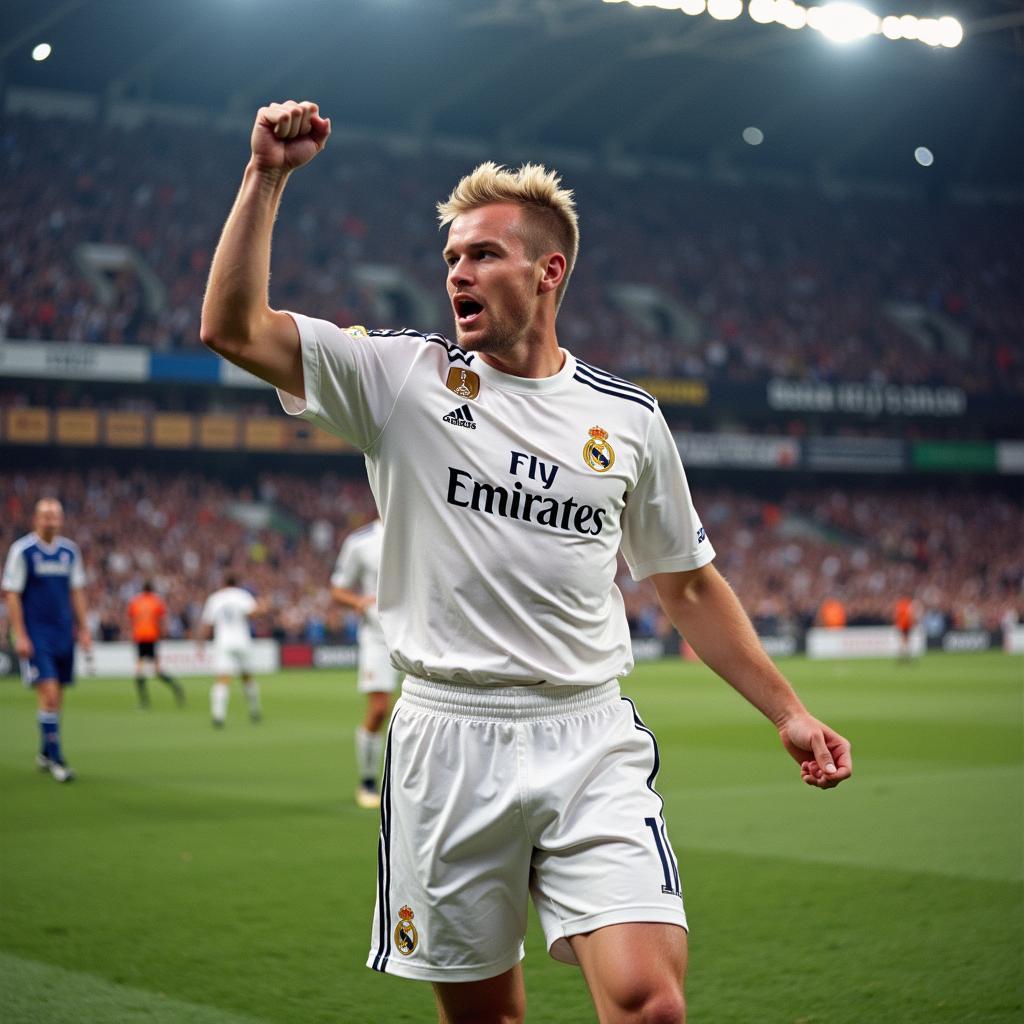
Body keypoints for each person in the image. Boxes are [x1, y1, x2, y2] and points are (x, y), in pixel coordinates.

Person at [200, 99, 852, 1024]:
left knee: (649, 1004)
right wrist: (266, 176)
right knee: (486, 1020)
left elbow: (688, 581)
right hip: (446, 738)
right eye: (451, 258)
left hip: (587, 734)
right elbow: (232, 328)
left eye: (482, 255)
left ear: (549, 272)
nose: (456, 272)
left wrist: (788, 711)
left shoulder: (628, 419)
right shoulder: (400, 380)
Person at [2, 498, 92, 783]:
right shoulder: (23, 551)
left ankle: (44, 750)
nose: (51, 520)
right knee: (49, 694)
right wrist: (20, 634)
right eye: (46, 515)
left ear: (61, 520)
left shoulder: (69, 551)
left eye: (55, 515)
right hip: (38, 633)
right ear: (36, 519)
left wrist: (85, 628)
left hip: (64, 632)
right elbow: (12, 593)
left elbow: (76, 591)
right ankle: (57, 759)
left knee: (58, 697)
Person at [330, 517, 401, 810]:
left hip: (420, 633)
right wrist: (358, 602)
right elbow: (338, 589)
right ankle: (368, 781)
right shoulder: (360, 542)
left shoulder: (423, 526)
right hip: (377, 636)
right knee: (379, 709)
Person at [197, 575, 263, 728]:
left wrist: (200, 643)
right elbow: (254, 613)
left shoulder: (215, 598)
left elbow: (207, 624)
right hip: (242, 641)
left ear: (223, 582)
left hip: (223, 642)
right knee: (247, 677)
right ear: (237, 583)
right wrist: (262, 606)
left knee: (222, 679)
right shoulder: (242, 595)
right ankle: (255, 711)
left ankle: (218, 716)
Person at [127, 580, 186, 708]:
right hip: (152, 638)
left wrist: (132, 633)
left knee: (139, 671)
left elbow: (131, 619)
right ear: (152, 589)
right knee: (157, 671)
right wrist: (163, 633)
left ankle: (144, 702)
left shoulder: (135, 601)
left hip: (140, 638)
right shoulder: (157, 602)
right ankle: (177, 688)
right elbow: (162, 620)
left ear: (142, 589)